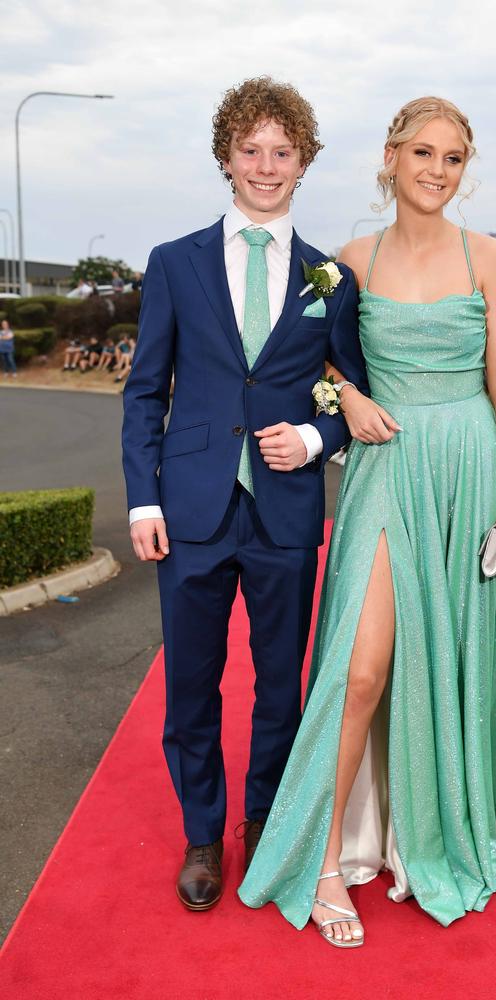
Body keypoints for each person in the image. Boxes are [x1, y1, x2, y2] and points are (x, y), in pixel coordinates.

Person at [240, 95, 496, 945]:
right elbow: (319, 359)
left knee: (448, 647)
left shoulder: (487, 257)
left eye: (453, 158)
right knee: (361, 668)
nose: (437, 171)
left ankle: (431, 815)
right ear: (390, 157)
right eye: (423, 153)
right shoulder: (346, 261)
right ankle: (326, 857)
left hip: (467, 464)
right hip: (384, 466)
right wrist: (353, 396)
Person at [121, 77, 369, 914]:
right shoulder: (174, 262)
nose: (266, 166)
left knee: (277, 680)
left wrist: (315, 437)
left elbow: (353, 392)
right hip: (189, 507)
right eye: (251, 150)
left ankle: (264, 821)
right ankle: (202, 831)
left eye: (283, 152)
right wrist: (143, 500)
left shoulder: (330, 278)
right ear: (226, 158)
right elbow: (144, 392)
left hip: (285, 511)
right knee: (192, 681)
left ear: (304, 164)